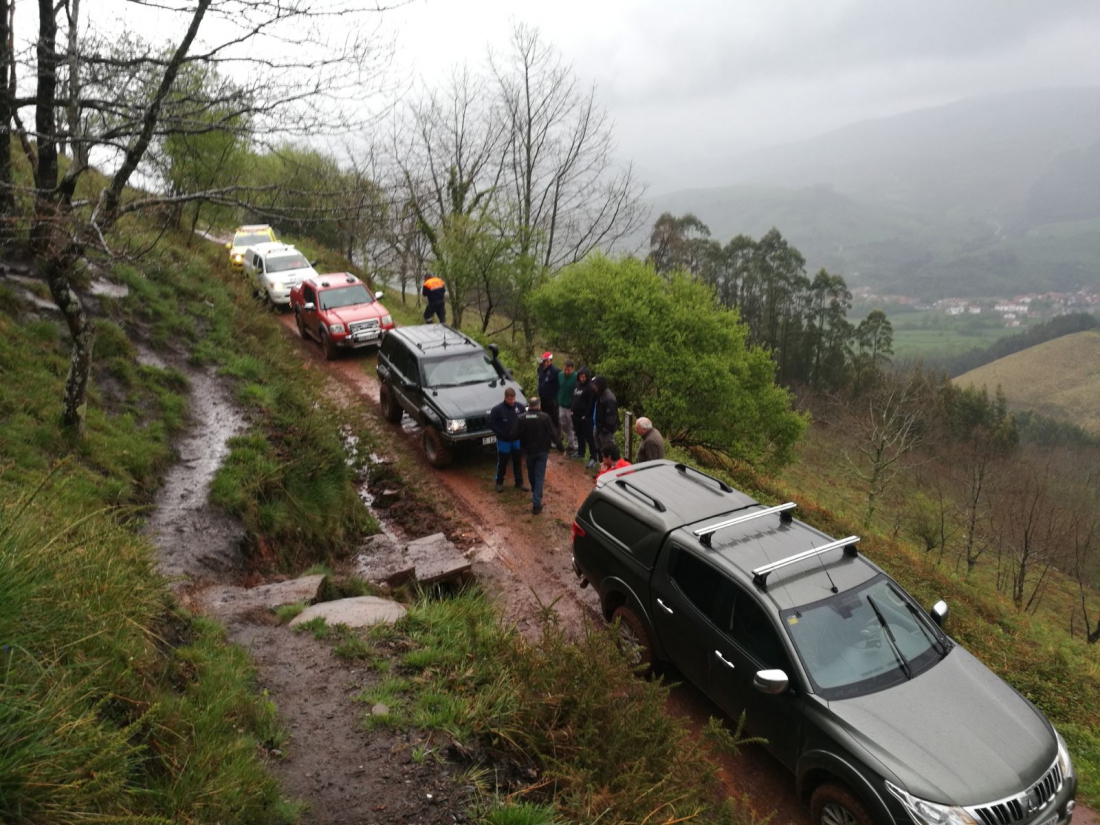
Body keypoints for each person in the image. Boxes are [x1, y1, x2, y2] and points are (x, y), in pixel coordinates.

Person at [510, 396, 562, 515]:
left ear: (529, 405)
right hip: (542, 451)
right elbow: (553, 433)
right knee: (539, 475)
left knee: (532, 474)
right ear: (538, 405)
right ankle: (536, 503)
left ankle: (536, 493)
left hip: (529, 451)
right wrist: (560, 446)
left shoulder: (521, 418)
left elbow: (513, 435)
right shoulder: (544, 417)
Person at [489, 387, 528, 493]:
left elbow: (524, 420)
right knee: (503, 462)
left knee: (517, 461)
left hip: (516, 440)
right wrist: (501, 433)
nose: (512, 401)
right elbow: (492, 423)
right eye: (510, 399)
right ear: (505, 398)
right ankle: (499, 482)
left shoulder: (519, 407)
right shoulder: (497, 410)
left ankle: (519, 483)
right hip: (503, 441)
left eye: (513, 399)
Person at [571, 365, 598, 467]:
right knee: (579, 435)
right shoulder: (577, 384)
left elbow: (591, 403)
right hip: (575, 415)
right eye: (581, 376)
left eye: (584, 377)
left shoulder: (590, 387)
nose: (582, 379)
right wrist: (572, 410)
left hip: (585, 417)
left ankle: (593, 458)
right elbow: (573, 397)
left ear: (587, 377)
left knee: (589, 438)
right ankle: (580, 453)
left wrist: (586, 415)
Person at [590, 374, 619, 463]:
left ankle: (611, 469)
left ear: (600, 385)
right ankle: (602, 465)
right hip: (598, 427)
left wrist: (605, 429)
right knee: (599, 448)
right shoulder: (600, 394)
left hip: (606, 431)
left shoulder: (609, 398)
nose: (593, 387)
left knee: (608, 450)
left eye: (595, 385)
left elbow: (612, 416)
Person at [536, 352, 562, 442]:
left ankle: (557, 438)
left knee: (554, 419)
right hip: (543, 398)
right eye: (544, 361)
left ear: (551, 361)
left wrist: (557, 398)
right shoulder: (540, 369)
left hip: (552, 399)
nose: (545, 363)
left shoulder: (556, 371)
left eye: (547, 361)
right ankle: (547, 437)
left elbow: (559, 385)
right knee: (544, 418)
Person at [556, 360, 578, 456]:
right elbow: (557, 387)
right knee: (563, 424)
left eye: (568, 370)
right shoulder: (560, 375)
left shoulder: (576, 377)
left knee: (573, 426)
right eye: (565, 369)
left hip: (571, 406)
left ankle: (575, 446)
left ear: (572, 369)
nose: (566, 371)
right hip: (561, 404)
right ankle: (570, 442)